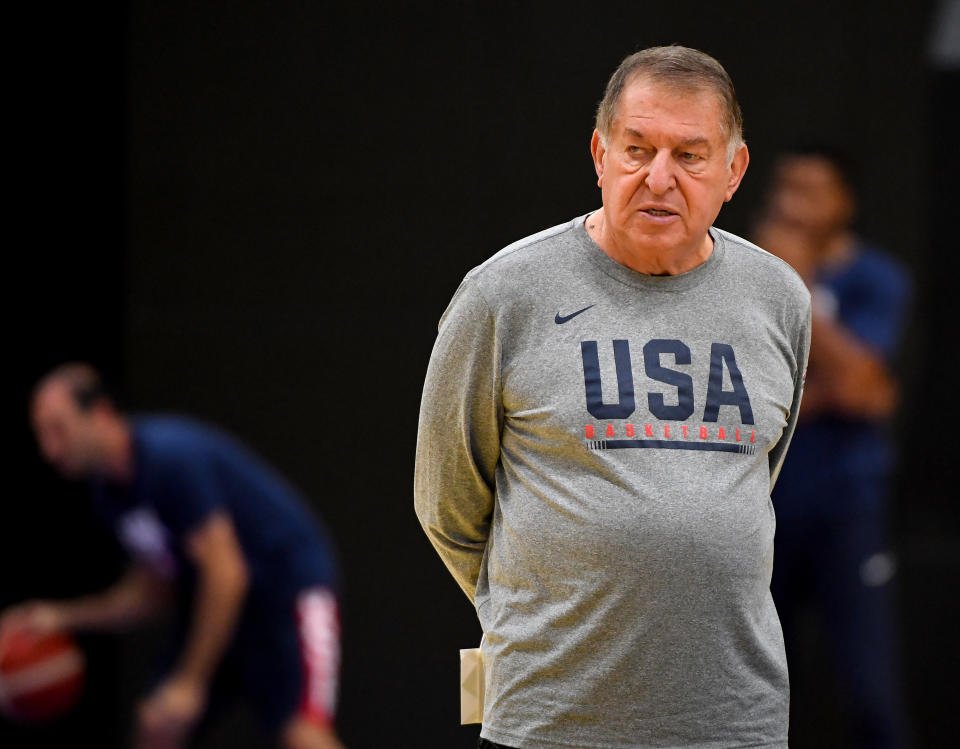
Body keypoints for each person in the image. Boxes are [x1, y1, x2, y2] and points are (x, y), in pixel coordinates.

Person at [415, 45, 811, 749]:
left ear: (734, 170)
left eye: (690, 155)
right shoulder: (505, 295)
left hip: (734, 723)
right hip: (552, 720)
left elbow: (755, 479)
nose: (658, 178)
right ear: (600, 155)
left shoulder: (779, 299)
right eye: (637, 149)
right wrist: (537, 612)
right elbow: (446, 503)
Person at [1, 363, 345, 749]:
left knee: (301, 731)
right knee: (158, 724)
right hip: (221, 604)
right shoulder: (111, 496)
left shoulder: (170, 458)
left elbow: (227, 573)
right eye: (42, 434)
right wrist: (61, 616)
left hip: (286, 592)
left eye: (58, 429)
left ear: (99, 414)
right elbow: (150, 594)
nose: (50, 450)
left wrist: (190, 681)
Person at [755, 147, 911, 748]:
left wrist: (798, 287)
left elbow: (865, 391)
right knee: (755, 693)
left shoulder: (876, 278)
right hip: (762, 509)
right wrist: (830, 387)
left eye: (813, 190)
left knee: (870, 691)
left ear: (845, 201)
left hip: (848, 505)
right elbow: (754, 395)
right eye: (786, 186)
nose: (794, 203)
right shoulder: (742, 275)